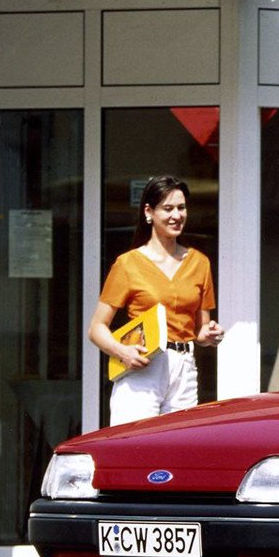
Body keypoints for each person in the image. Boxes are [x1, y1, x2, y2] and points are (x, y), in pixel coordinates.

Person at [88, 175, 224, 426]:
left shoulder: (199, 262)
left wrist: (210, 334)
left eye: (181, 208)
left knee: (179, 448)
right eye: (168, 208)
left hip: (184, 366)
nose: (177, 215)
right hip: (144, 365)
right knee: (134, 447)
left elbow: (199, 329)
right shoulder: (128, 264)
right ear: (149, 212)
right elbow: (96, 328)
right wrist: (122, 352)